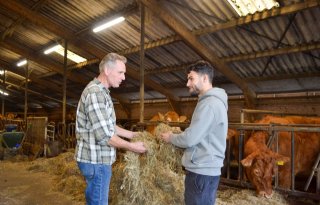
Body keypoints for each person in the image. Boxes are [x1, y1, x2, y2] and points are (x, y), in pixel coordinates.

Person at [75, 53, 147, 205]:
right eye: (120, 72)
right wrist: (132, 147)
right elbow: (104, 136)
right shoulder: (95, 93)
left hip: (96, 161)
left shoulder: (102, 92)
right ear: (107, 70)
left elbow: (108, 126)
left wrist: (133, 134)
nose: (123, 77)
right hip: (97, 161)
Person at [161, 60, 228, 205]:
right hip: (207, 169)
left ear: (204, 78)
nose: (187, 83)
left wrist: (170, 137)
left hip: (201, 171)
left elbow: (190, 138)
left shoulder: (209, 104)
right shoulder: (212, 102)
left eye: (191, 78)